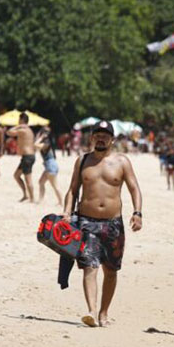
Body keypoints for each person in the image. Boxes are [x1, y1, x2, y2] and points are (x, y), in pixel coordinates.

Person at [61, 120, 143, 327]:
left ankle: (104, 312)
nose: (101, 137)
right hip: (87, 222)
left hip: (113, 223)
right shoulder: (82, 161)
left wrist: (137, 212)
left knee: (111, 270)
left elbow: (134, 188)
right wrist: (66, 213)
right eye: (97, 134)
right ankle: (91, 310)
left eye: (105, 135)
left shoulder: (122, 162)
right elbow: (72, 190)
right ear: (92, 137)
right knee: (90, 266)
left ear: (112, 139)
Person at [7, 113, 36, 202]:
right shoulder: (30, 130)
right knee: (16, 175)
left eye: (19, 120)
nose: (18, 122)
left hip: (28, 157)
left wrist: (18, 126)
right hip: (28, 157)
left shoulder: (23, 130)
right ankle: (26, 195)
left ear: (22, 120)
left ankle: (32, 199)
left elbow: (9, 132)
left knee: (28, 179)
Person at [35, 127, 63, 205]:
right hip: (49, 165)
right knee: (41, 182)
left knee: (55, 185)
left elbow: (35, 144)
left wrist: (40, 137)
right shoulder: (47, 142)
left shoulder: (46, 143)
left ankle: (61, 202)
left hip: (50, 166)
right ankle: (41, 200)